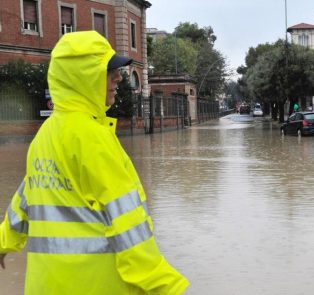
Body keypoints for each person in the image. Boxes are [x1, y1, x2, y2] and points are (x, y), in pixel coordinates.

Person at [0, 31, 189, 295]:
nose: (118, 77)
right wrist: (167, 287)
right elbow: (128, 223)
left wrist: (4, 242)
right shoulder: (93, 138)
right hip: (96, 285)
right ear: (82, 77)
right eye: (107, 69)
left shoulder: (45, 134)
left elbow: (27, 197)